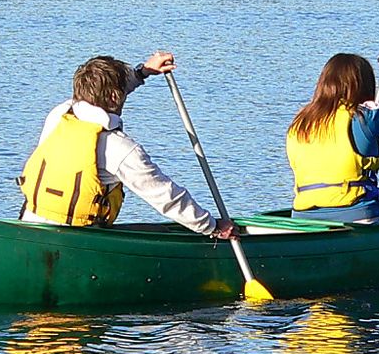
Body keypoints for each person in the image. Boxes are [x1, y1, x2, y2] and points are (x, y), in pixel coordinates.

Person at [18, 51, 235, 239]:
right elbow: (166, 196)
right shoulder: (119, 149)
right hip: (79, 240)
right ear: (115, 96)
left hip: (29, 226)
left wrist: (143, 72)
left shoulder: (59, 115)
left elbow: (103, 94)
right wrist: (212, 227)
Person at [286, 51, 379, 224]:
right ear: (363, 85)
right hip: (355, 214)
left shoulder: (299, 123)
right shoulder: (362, 117)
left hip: (303, 217)